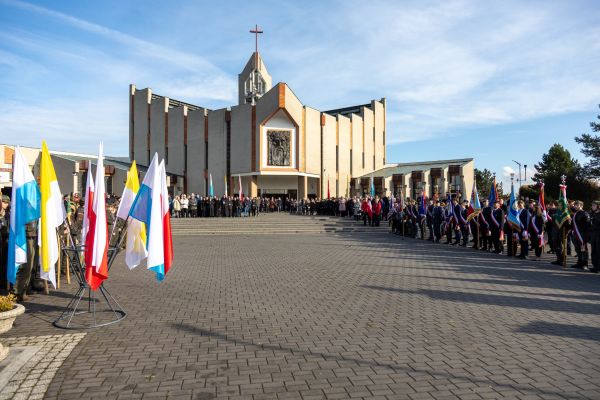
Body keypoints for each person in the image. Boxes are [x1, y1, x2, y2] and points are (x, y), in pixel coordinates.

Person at [571, 200, 590, 269]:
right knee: (577, 248)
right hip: (575, 234)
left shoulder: (584, 213)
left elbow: (587, 225)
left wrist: (585, 235)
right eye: (575, 205)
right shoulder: (575, 213)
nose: (576, 206)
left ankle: (585, 264)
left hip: (582, 234)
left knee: (583, 249)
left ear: (581, 206)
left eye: (577, 205)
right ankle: (579, 262)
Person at [589, 200, 600, 273]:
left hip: (599, 234)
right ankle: (595, 266)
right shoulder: (592, 214)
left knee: (599, 251)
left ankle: (599, 267)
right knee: (593, 250)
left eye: (594, 205)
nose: (592, 207)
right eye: (592, 205)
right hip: (593, 234)